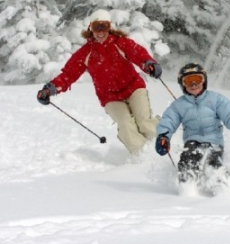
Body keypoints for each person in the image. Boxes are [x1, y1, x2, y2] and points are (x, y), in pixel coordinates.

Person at [36, 9, 162, 155]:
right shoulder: (86, 52)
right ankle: (144, 156)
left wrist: (149, 64)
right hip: (110, 97)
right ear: (91, 28)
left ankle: (163, 145)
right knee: (126, 124)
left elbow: (139, 54)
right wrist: (50, 89)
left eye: (104, 27)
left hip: (134, 88)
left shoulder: (121, 43)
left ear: (110, 27)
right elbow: (69, 74)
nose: (100, 32)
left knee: (144, 122)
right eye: (97, 27)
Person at [154, 63, 230, 185]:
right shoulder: (179, 105)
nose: (194, 84)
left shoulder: (216, 99)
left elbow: (229, 116)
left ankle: (221, 185)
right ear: (182, 84)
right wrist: (163, 137)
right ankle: (188, 185)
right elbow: (168, 121)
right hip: (192, 141)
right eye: (189, 81)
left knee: (213, 161)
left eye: (197, 79)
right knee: (189, 157)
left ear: (204, 81)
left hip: (214, 142)